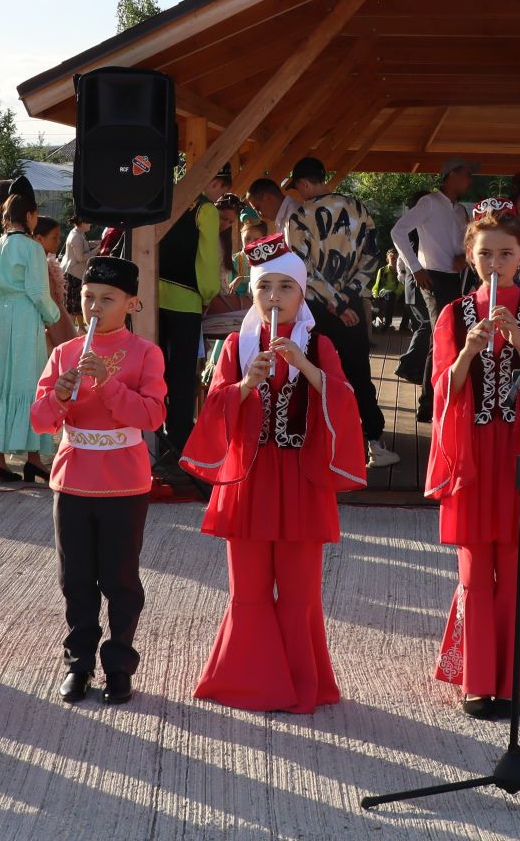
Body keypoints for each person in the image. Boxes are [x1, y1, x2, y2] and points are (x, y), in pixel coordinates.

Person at [180, 234, 366, 713]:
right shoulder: (235, 347)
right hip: (249, 480)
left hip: (302, 483)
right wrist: (246, 384)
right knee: (249, 589)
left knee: (300, 590)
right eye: (265, 288)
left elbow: (344, 401)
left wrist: (302, 365)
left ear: (302, 294)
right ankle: (251, 684)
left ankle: (301, 685)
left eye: (286, 287)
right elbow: (215, 408)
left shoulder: (318, 344)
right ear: (254, 294)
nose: (275, 297)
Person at [426, 199, 520, 718]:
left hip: (519, 453)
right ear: (470, 256)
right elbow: (445, 390)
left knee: (514, 569)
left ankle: (508, 681)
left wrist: (516, 339)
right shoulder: (453, 314)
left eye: (505, 254)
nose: (495, 263)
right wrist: (468, 349)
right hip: (472, 455)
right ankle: (475, 679)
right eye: (485, 254)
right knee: (473, 569)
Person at [30, 256, 168, 705]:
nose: (94, 308)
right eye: (88, 297)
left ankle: (119, 666)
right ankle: (79, 665)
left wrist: (108, 385)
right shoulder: (63, 353)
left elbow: (152, 415)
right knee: (75, 580)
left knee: (121, 580)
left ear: (132, 303)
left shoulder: (146, 352)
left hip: (125, 483)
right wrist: (60, 395)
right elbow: (39, 421)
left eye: (107, 299)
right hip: (72, 479)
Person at [284, 156, 394, 469]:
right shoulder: (358, 209)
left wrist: (334, 300)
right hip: (354, 304)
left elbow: (302, 267)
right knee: (358, 373)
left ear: (304, 183)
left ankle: (315, 441)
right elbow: (372, 257)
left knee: (313, 371)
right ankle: (374, 442)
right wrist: (346, 298)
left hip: (316, 308)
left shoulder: (299, 217)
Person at [154, 168, 225, 494]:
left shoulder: (166, 201)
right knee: (182, 376)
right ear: (210, 181)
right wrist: (210, 294)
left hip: (153, 298)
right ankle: (179, 443)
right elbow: (208, 259)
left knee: (155, 371)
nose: (219, 194)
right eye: (220, 186)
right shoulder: (204, 209)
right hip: (186, 299)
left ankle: (154, 439)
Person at [0, 194, 59, 481]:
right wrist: (55, 316)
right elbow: (38, 293)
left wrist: (1, 309)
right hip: (26, 315)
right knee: (30, 382)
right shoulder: (32, 248)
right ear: (30, 216)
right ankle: (34, 458)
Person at [389, 158, 474, 423]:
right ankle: (429, 404)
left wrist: (465, 256)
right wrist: (415, 268)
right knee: (441, 336)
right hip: (432, 278)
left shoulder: (460, 211)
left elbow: (464, 245)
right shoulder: (429, 203)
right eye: (466, 173)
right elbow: (398, 231)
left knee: (449, 336)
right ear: (451, 175)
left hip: (456, 279)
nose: (470, 179)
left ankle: (440, 399)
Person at [34, 217, 79, 352]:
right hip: (51, 319)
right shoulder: (37, 265)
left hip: (58, 315)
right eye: (54, 238)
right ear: (39, 239)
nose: (59, 241)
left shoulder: (47, 263)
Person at [60, 214, 92, 314]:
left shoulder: (79, 233)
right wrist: (97, 250)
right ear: (83, 224)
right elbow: (80, 258)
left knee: (77, 306)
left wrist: (96, 243)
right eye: (88, 222)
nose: (90, 224)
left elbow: (84, 245)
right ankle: (72, 329)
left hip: (75, 273)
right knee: (73, 306)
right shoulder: (76, 236)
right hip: (73, 274)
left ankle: (80, 328)